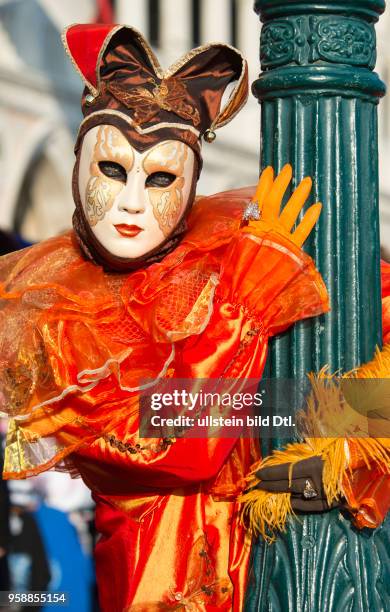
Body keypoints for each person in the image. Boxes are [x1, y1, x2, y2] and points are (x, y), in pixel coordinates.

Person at [0, 24, 388, 611]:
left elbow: (374, 316)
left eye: (161, 178)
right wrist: (248, 304)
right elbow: (170, 436)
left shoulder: (221, 255)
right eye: (112, 170)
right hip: (162, 581)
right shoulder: (53, 315)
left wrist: (344, 439)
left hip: (291, 565)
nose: (132, 202)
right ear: (80, 167)